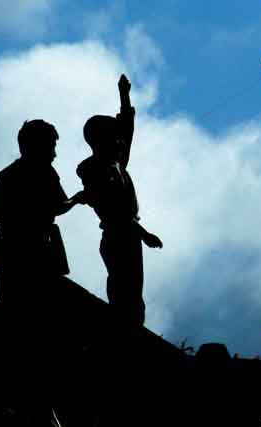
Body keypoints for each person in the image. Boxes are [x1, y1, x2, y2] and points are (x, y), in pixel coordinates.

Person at [77, 74, 162, 326]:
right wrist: (144, 234)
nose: (120, 140)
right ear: (100, 141)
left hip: (128, 235)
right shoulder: (94, 170)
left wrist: (124, 95)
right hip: (118, 235)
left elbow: (127, 128)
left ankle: (132, 328)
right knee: (124, 291)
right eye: (114, 138)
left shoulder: (116, 162)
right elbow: (115, 211)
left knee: (134, 292)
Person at [0, 119, 85, 304]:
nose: (54, 154)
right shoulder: (45, 173)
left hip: (13, 253)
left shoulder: (7, 174)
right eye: (50, 147)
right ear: (36, 146)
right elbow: (59, 206)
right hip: (35, 250)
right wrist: (77, 199)